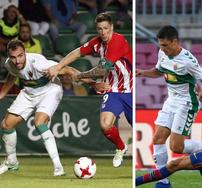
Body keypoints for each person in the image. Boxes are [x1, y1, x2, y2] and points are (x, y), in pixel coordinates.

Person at [46, 12, 132, 168]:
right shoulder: (96, 42)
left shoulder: (118, 40)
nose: (103, 32)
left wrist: (79, 76)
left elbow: (101, 70)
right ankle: (120, 147)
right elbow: (77, 52)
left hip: (131, 90)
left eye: (106, 28)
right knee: (105, 125)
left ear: (111, 27)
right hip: (112, 90)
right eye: (100, 29)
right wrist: (58, 66)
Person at [136, 25, 202, 187]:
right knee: (157, 138)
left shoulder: (188, 60)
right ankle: (163, 181)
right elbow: (158, 71)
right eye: (160, 45)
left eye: (165, 45)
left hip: (186, 102)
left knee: (176, 147)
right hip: (171, 100)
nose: (161, 48)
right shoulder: (162, 53)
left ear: (175, 42)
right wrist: (142, 72)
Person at [0, 40, 79, 176]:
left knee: (39, 122)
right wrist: (2, 94)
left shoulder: (39, 63)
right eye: (13, 57)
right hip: (29, 91)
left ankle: (58, 167)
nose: (17, 60)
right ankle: (12, 162)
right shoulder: (9, 64)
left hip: (50, 89)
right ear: (9, 56)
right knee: (7, 125)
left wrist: (92, 82)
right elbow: (12, 75)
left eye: (20, 56)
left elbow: (68, 70)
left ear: (25, 53)